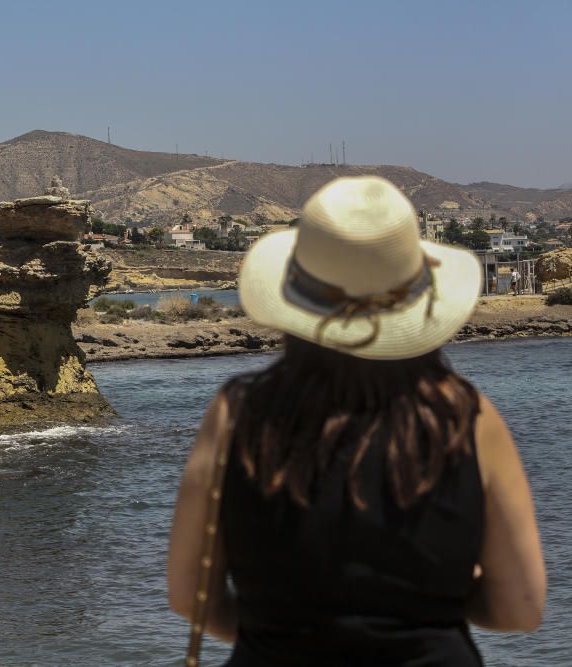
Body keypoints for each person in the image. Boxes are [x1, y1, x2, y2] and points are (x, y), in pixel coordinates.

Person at [168, 176, 546, 666]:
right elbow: (520, 607)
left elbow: (188, 596)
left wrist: (282, 629)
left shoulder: (237, 412)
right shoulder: (467, 417)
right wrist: (433, 597)